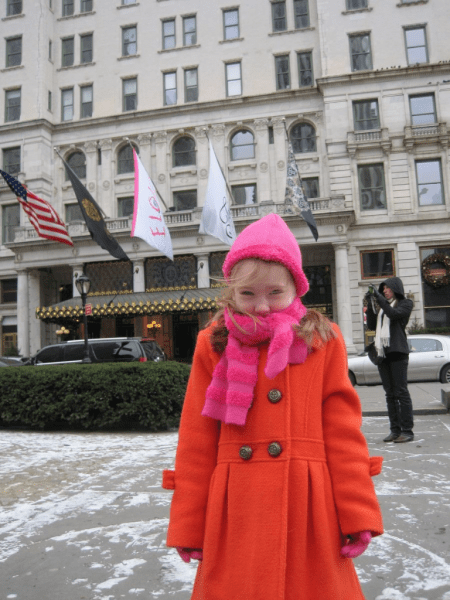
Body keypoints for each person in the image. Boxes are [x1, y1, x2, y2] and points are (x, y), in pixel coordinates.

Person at [162, 214, 383, 600]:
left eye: (274, 292)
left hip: (308, 509)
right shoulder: (212, 343)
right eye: (247, 294)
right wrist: (189, 524)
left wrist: (357, 512)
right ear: (230, 292)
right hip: (236, 509)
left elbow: (343, 433)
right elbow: (197, 441)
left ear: (296, 288)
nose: (261, 306)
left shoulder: (322, 340)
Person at [365, 278, 414, 443]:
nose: (385, 291)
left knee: (401, 392)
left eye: (387, 288)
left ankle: (407, 431)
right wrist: (370, 304)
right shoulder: (382, 308)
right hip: (383, 354)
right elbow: (372, 325)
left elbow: (393, 314)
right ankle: (395, 431)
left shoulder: (405, 304)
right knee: (390, 395)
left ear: (395, 289)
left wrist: (378, 298)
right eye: (383, 289)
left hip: (398, 352)